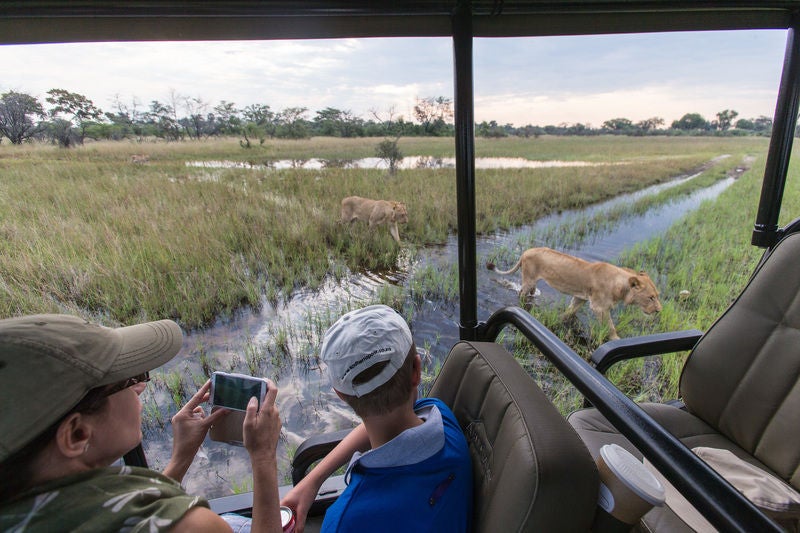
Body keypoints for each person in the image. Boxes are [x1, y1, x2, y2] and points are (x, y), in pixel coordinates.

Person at [0, 314, 282, 533]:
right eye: (128, 381)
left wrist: (181, 457)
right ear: (76, 434)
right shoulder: (188, 526)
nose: (141, 388)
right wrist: (264, 456)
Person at [281, 304, 473, 532]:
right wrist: (312, 480)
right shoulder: (443, 419)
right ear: (416, 371)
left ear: (340, 395)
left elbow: (380, 422)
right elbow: (393, 420)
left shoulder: (344, 521)